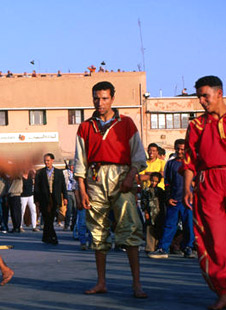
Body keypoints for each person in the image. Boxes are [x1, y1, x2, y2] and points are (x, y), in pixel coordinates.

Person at [74, 81, 148, 298]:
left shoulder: (126, 123)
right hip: (95, 176)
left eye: (104, 98)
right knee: (97, 229)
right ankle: (101, 282)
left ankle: (137, 284)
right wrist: (82, 189)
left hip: (122, 175)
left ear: (112, 99)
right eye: (96, 98)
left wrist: (131, 176)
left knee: (130, 228)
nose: (100, 102)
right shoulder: (86, 126)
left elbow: (138, 156)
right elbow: (79, 160)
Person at [182, 75, 226, 310]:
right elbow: (190, 159)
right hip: (208, 181)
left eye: (205, 96)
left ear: (219, 94)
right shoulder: (197, 125)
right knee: (216, 240)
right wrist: (187, 187)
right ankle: (223, 291)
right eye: (198, 96)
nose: (201, 101)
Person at [150, 139, 194, 259]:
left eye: (182, 149)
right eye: (178, 149)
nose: (180, 151)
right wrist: (168, 198)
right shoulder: (170, 163)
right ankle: (163, 248)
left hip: (189, 201)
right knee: (169, 225)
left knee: (189, 225)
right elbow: (167, 182)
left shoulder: (192, 163)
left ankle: (188, 248)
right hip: (174, 200)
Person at [34, 153, 67, 245]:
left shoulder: (58, 172)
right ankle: (53, 237)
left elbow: (63, 186)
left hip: (54, 197)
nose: (46, 162)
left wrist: (65, 197)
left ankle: (46, 237)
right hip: (44, 198)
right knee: (46, 216)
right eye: (45, 160)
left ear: (52, 160)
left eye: (48, 160)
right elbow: (37, 187)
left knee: (51, 217)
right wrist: (36, 200)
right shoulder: (40, 173)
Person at [141, 172, 165, 256]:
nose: (153, 183)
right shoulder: (146, 191)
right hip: (150, 212)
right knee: (149, 229)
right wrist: (146, 212)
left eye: (155, 181)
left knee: (158, 229)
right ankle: (149, 247)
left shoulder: (160, 191)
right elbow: (143, 202)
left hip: (159, 212)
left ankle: (157, 246)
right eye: (152, 181)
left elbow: (162, 203)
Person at [63, 161, 77, 231]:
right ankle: (66, 225)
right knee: (69, 209)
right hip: (68, 191)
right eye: (71, 166)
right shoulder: (65, 172)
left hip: (75, 192)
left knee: (75, 210)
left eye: (73, 166)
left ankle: (73, 226)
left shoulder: (76, 172)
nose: (72, 167)